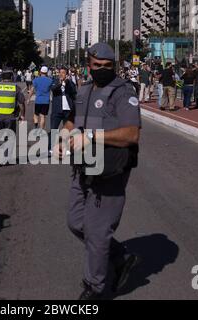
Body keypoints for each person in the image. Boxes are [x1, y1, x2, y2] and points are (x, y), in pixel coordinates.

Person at [54, 43, 141, 300]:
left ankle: (95, 288)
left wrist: (90, 136)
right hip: (82, 168)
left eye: (107, 66)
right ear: (88, 64)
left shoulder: (123, 92)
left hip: (110, 172)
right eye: (96, 66)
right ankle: (119, 257)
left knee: (97, 231)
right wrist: (63, 135)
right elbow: (72, 119)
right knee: (75, 222)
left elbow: (131, 134)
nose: (102, 70)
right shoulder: (83, 90)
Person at [0, 70, 26, 167]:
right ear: (12, 78)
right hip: (10, 117)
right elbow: (21, 104)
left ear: (1, 78)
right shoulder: (15, 88)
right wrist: (22, 115)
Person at [49, 67, 77, 155]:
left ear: (67, 74)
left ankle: (68, 148)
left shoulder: (70, 83)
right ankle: (51, 148)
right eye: (60, 72)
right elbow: (53, 89)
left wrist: (67, 83)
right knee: (54, 129)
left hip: (68, 110)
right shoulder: (55, 81)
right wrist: (60, 83)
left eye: (63, 73)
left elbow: (74, 91)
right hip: (57, 110)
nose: (61, 74)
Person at [29, 66, 53, 131]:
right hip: (46, 101)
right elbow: (52, 91)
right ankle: (41, 130)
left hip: (38, 101)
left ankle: (36, 126)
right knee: (43, 116)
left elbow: (32, 90)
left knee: (36, 115)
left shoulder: (36, 80)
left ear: (40, 72)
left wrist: (28, 98)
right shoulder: (50, 80)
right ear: (47, 72)